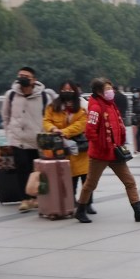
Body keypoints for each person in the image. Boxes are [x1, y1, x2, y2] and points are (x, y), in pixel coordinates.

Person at [74, 78, 140, 223]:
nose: (111, 92)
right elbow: (90, 132)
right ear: (99, 92)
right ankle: (80, 210)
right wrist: (103, 144)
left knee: (129, 181)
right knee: (91, 184)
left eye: (111, 88)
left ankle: (138, 212)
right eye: (107, 89)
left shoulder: (111, 105)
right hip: (100, 154)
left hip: (115, 153)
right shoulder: (96, 108)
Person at [1, 66, 56, 213]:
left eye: (26, 76)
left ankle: (37, 197)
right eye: (20, 75)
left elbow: (50, 117)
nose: (22, 78)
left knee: (37, 170)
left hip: (37, 139)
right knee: (21, 168)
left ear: (34, 80)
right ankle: (24, 199)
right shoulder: (11, 95)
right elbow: (6, 116)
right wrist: (9, 132)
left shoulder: (44, 96)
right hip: (17, 139)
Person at [42, 81, 93, 210]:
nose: (67, 92)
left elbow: (82, 124)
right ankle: (72, 201)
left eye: (70, 90)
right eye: (64, 89)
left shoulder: (81, 106)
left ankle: (88, 203)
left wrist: (64, 132)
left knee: (86, 178)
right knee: (70, 179)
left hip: (80, 147)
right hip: (61, 147)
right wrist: (53, 129)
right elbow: (46, 120)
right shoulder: (53, 106)